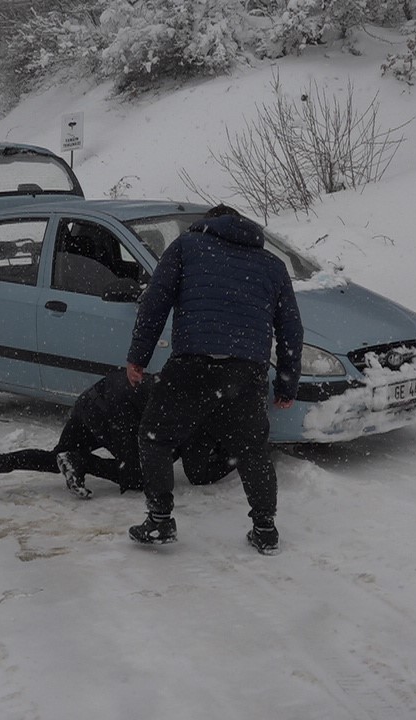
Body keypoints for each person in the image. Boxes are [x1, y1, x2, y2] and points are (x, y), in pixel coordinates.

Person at [126, 205, 303, 555]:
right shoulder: (271, 265)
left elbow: (155, 303)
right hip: (246, 371)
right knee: (253, 451)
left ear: (208, 224)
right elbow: (290, 330)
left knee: (155, 437)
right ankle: (265, 530)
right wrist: (287, 384)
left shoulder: (187, 247)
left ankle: (160, 521)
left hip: (193, 363)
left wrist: (138, 358)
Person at [0, 369, 235, 498]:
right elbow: (197, 473)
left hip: (95, 397)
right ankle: (81, 462)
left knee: (57, 458)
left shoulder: (183, 387)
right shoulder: (199, 419)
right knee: (138, 477)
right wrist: (235, 458)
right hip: (117, 412)